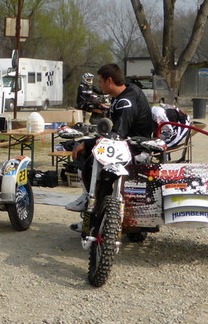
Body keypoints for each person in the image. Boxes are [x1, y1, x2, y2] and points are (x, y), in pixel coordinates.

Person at [65, 63, 154, 214]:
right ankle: (90, 213)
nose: (99, 85)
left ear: (109, 80)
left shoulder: (125, 102)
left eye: (100, 81)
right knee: (84, 147)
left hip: (134, 148)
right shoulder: (125, 93)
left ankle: (90, 202)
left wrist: (86, 144)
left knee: (87, 156)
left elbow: (118, 135)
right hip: (126, 144)